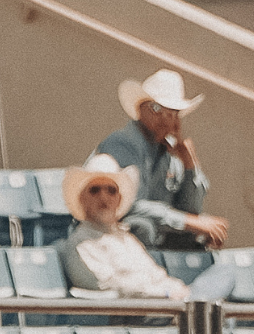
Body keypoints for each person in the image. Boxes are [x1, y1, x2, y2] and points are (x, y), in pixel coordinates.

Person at [57, 153, 237, 301]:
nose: (104, 198)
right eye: (94, 190)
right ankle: (197, 306)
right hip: (136, 312)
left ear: (119, 199)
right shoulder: (79, 243)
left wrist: (176, 289)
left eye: (111, 190)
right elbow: (107, 286)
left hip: (166, 305)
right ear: (82, 199)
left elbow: (156, 275)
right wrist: (164, 293)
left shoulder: (126, 238)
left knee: (225, 270)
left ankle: (196, 304)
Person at [95, 69, 229, 251]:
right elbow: (129, 205)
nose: (170, 122)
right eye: (159, 110)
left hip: (157, 237)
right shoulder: (122, 144)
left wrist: (190, 165)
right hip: (116, 234)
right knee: (143, 227)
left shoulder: (169, 151)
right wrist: (188, 222)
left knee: (202, 231)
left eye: (175, 114)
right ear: (142, 109)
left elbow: (191, 208)